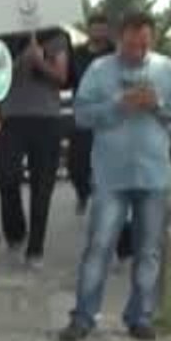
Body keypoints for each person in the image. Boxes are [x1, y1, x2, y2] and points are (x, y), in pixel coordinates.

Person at [58, 12, 171, 341]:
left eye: (144, 44)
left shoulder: (165, 69)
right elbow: (82, 114)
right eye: (131, 44)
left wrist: (158, 104)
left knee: (148, 250)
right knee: (100, 246)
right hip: (110, 176)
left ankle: (140, 315)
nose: (137, 51)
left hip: (153, 175)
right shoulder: (100, 70)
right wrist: (119, 104)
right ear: (119, 39)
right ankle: (84, 316)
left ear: (154, 40)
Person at [0, 28, 71, 268]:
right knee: (7, 177)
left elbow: (61, 76)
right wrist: (21, 60)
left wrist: (39, 61)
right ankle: (15, 233)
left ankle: (35, 248)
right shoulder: (1, 38)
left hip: (46, 118)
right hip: (11, 118)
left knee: (42, 185)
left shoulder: (56, 36)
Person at [67, 13, 115, 212]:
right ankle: (82, 193)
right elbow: (67, 79)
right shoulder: (76, 53)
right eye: (95, 27)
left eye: (102, 27)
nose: (98, 32)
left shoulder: (116, 53)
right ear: (88, 29)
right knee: (77, 161)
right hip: (84, 112)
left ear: (107, 30)